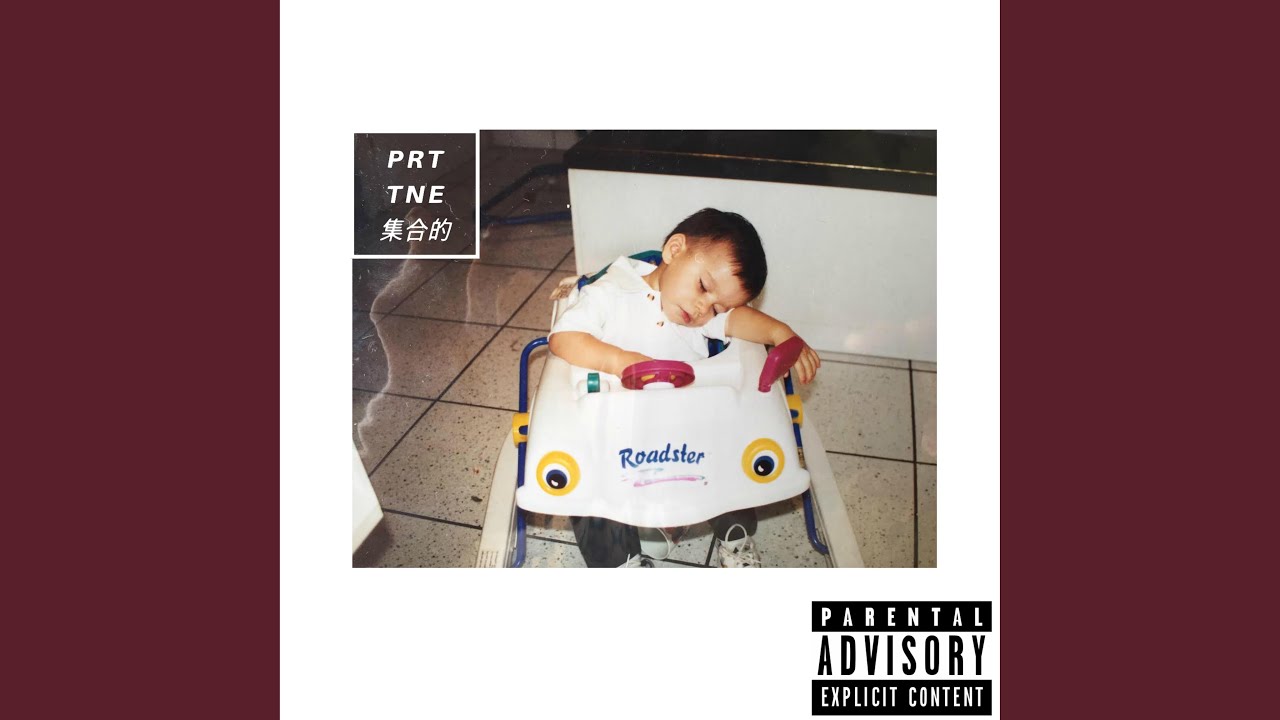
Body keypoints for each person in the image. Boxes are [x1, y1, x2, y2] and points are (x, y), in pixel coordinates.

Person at [547, 208, 821, 568]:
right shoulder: (611, 292)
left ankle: (735, 537)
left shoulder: (698, 317)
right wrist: (620, 362)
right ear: (674, 250)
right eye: (703, 287)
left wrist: (779, 333)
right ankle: (620, 561)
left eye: (717, 307)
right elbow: (564, 338)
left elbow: (738, 319)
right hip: (615, 429)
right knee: (590, 477)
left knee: (730, 444)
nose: (703, 307)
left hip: (686, 431)